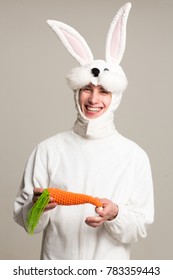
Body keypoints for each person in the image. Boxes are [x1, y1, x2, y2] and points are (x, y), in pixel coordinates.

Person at [13, 3, 154, 260]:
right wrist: (36, 208)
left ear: (116, 97)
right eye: (87, 89)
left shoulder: (134, 156)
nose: (93, 99)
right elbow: (29, 225)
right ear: (77, 92)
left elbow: (138, 228)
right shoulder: (48, 150)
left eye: (103, 91)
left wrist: (116, 215)